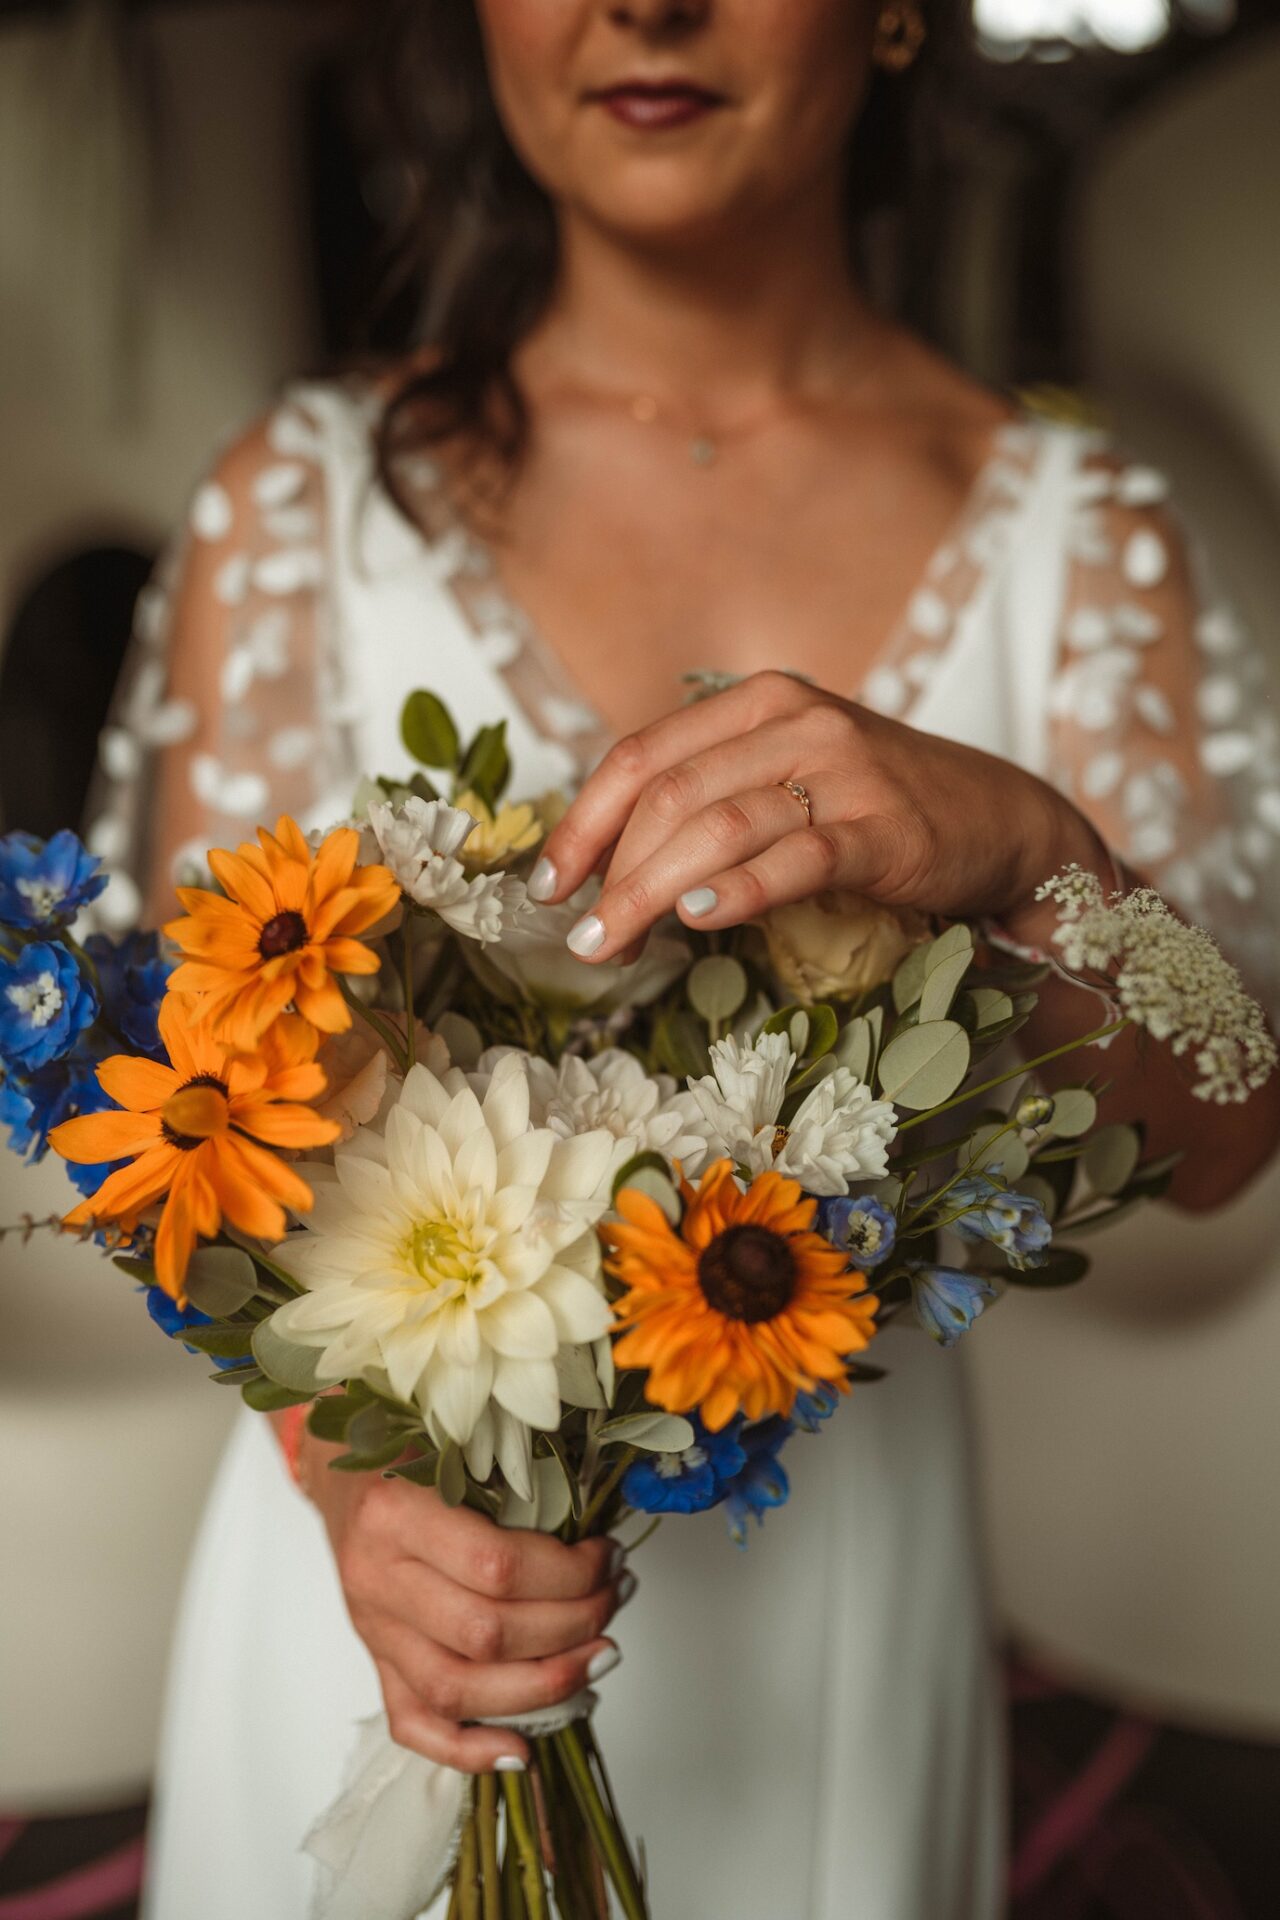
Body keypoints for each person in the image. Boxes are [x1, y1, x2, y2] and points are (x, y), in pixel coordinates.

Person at [84, 3, 1280, 1915]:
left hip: (834, 1594)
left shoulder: (1087, 535)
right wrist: (362, 1494)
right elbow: (186, 1137)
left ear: (897, 13)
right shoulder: (302, 508)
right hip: (397, 1599)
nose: (646, 4)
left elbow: (1223, 1144)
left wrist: (1042, 855)